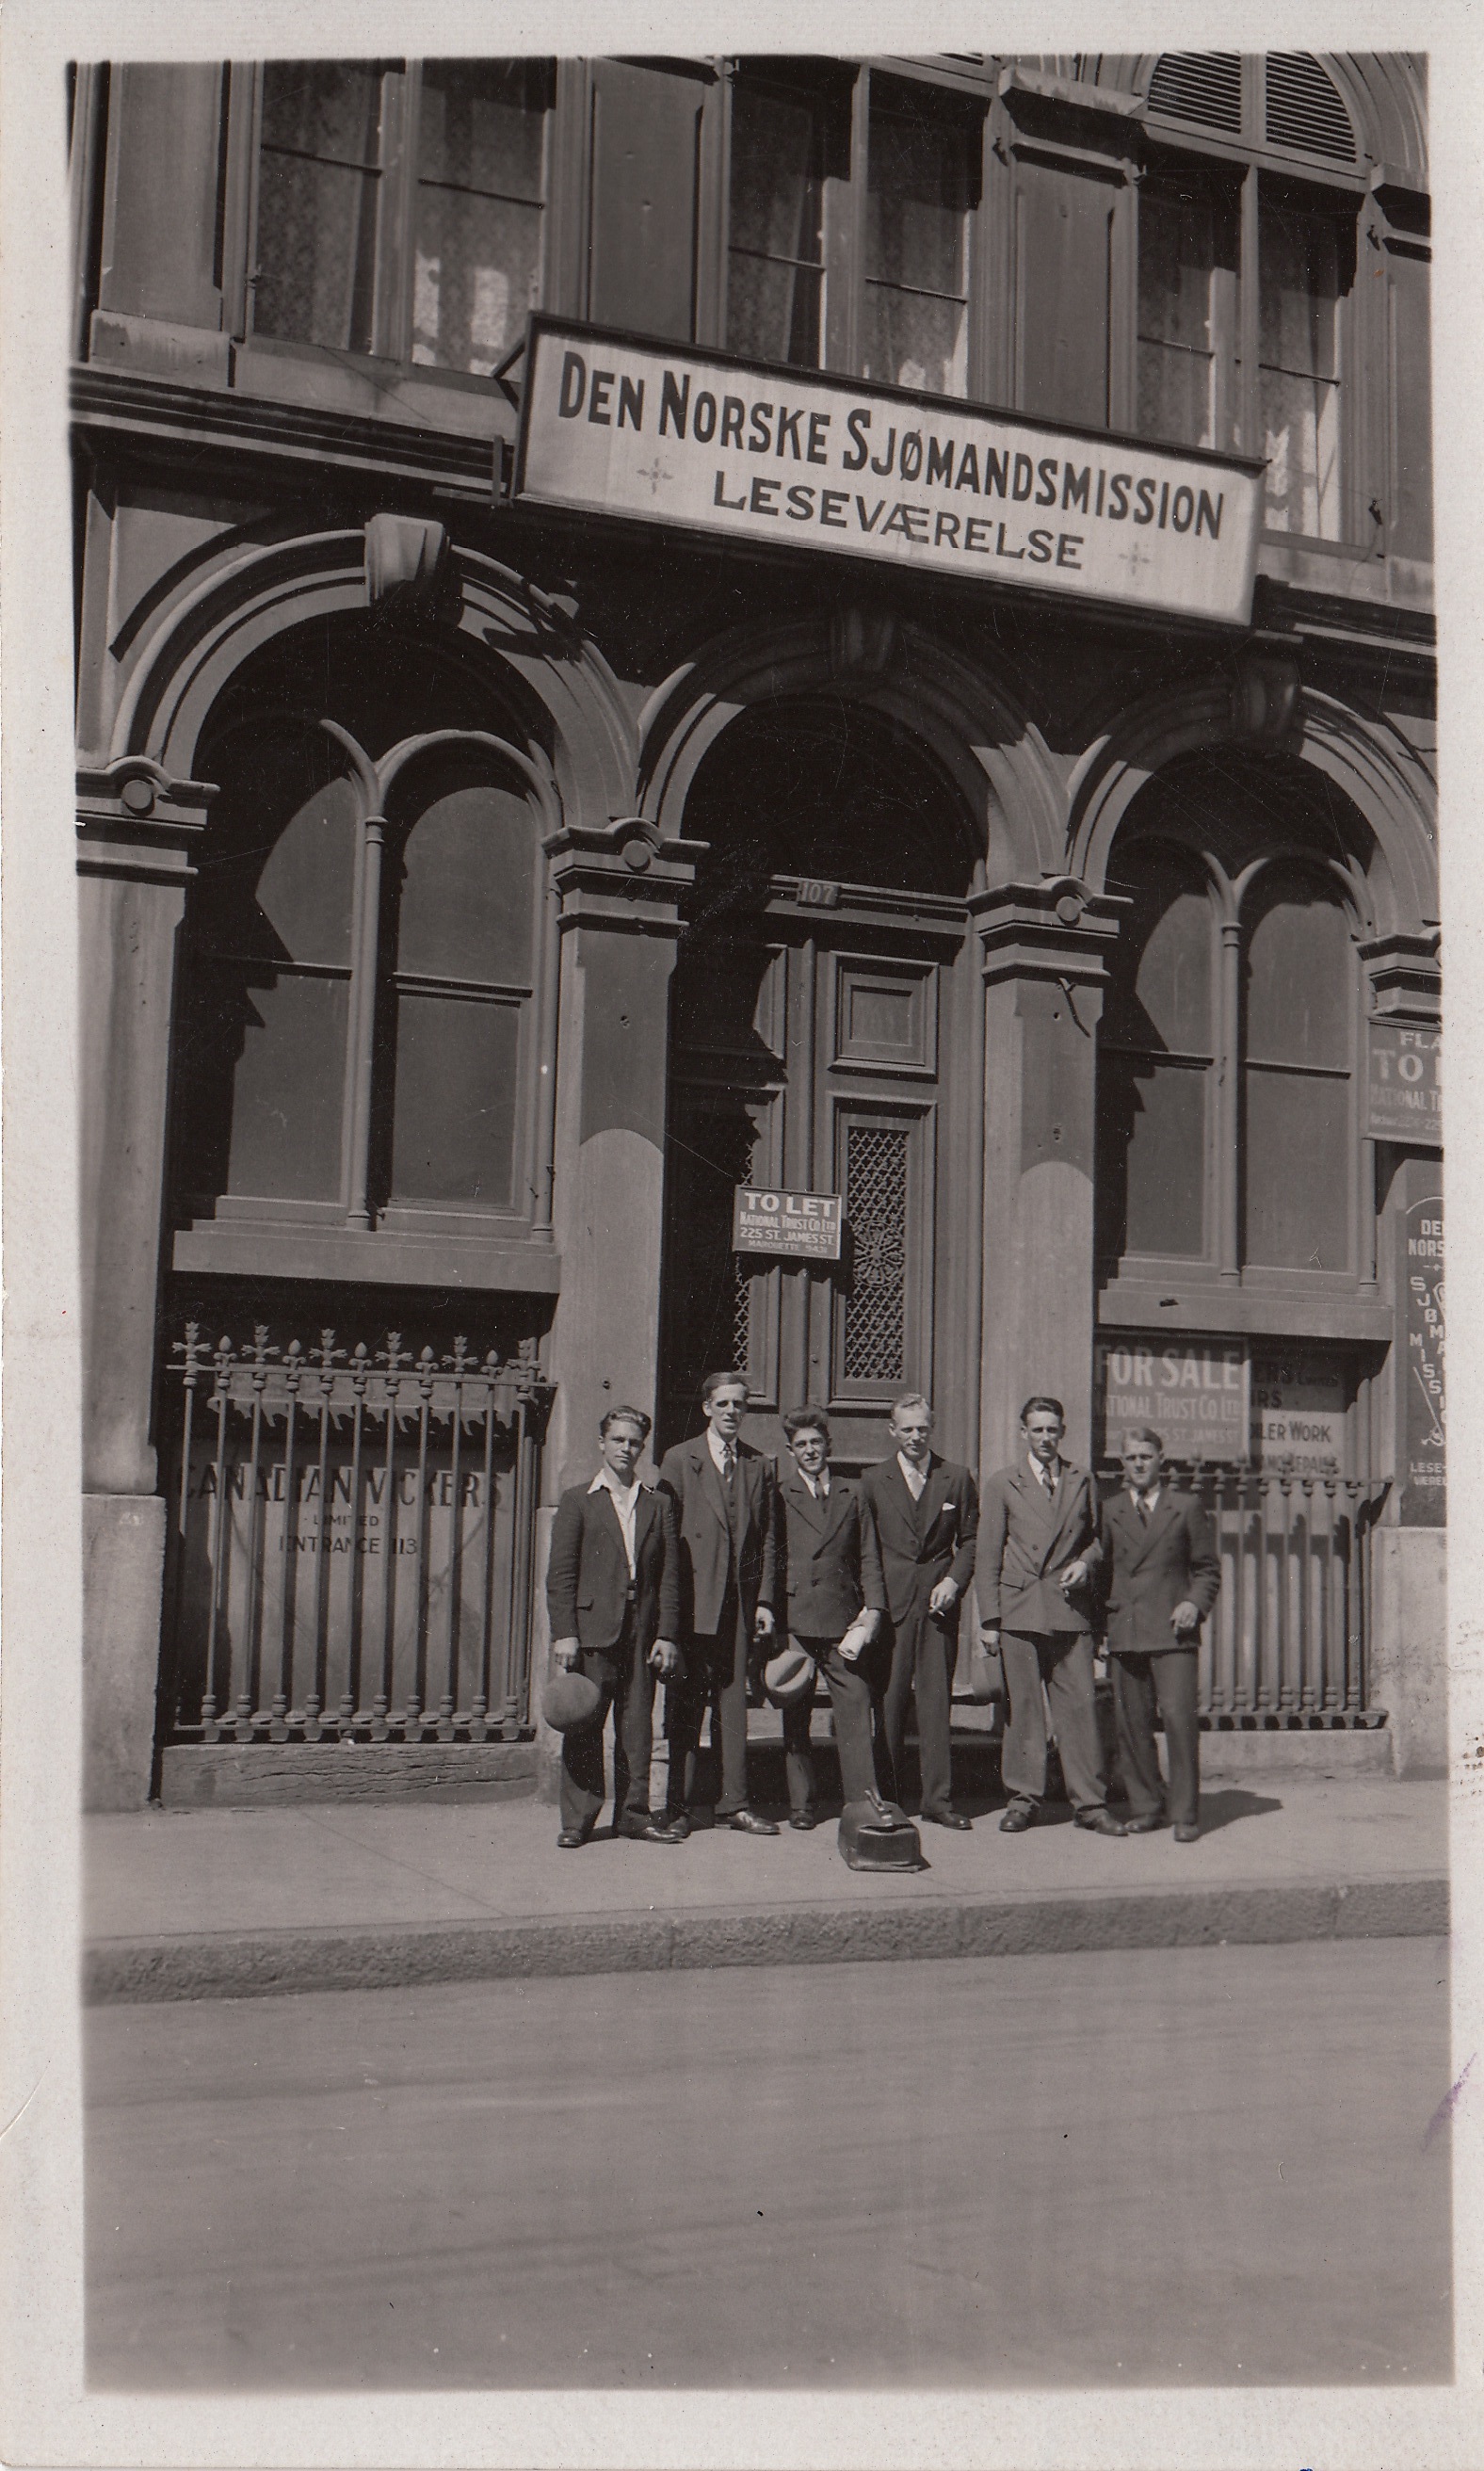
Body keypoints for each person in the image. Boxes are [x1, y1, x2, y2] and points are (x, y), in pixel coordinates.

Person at [977, 1396, 1124, 1836]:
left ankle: (1090, 1804)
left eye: (1052, 1430)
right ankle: (1023, 1800)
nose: (1045, 1438)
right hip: (1020, 1610)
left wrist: (1087, 1562)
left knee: (1078, 1711)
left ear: (1063, 1432)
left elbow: (1101, 1540)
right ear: (1023, 1433)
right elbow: (987, 1557)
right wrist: (990, 1621)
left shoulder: (1082, 1479)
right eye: (1037, 1429)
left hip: (1069, 1610)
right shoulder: (1003, 1483)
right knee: (1023, 1713)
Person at [545, 1405, 685, 1849]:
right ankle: (579, 1819)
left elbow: (669, 1576)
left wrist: (666, 1634)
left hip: (641, 1633)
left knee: (637, 1725)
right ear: (602, 1443)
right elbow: (561, 1575)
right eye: (619, 1440)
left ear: (643, 1447)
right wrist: (564, 1633)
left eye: (635, 1442)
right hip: (591, 1632)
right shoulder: (577, 1500)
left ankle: (633, 1814)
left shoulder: (657, 1503)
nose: (627, 1448)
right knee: (584, 1722)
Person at [657, 1371, 780, 1836]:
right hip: (693, 1603)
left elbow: (768, 1539)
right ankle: (681, 1807)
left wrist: (764, 1600)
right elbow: (667, 1538)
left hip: (739, 1607)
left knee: (733, 1710)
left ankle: (736, 1805)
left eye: (740, 1405)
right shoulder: (678, 1459)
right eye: (724, 1404)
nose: (732, 1412)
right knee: (685, 1707)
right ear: (708, 1408)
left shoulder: (758, 1465)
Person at [858, 1394, 977, 1830]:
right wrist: (871, 1603)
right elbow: (865, 1549)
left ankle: (938, 1800)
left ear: (932, 1427)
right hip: (890, 1604)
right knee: (887, 1702)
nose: (915, 1436)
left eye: (922, 1428)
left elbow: (971, 1540)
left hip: (938, 1604)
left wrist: (953, 1581)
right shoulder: (873, 1480)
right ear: (893, 1430)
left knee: (934, 1703)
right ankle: (887, 1799)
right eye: (906, 1429)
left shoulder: (956, 1477)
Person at [1097, 1426, 1220, 1842]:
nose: (1138, 1464)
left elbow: (1207, 1570)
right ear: (1122, 1463)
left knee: (1178, 1719)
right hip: (1126, 1629)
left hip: (1173, 1632)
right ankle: (1147, 1807)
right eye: (1131, 1458)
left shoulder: (1185, 1507)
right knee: (1131, 1725)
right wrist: (1102, 1628)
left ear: (1160, 1459)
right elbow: (1102, 1575)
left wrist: (1193, 1603)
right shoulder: (1110, 1508)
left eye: (1146, 1456)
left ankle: (1185, 1813)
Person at [774, 1409, 888, 1830]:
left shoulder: (852, 1492)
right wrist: (771, 1611)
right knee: (796, 1713)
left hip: (843, 1621)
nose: (810, 1451)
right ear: (791, 1451)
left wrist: (872, 1609)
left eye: (816, 1443)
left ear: (829, 1446)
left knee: (855, 1710)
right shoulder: (780, 1493)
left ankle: (860, 1801)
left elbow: (869, 1556)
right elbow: (770, 1555)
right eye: (801, 1445)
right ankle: (801, 1804)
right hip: (798, 1618)